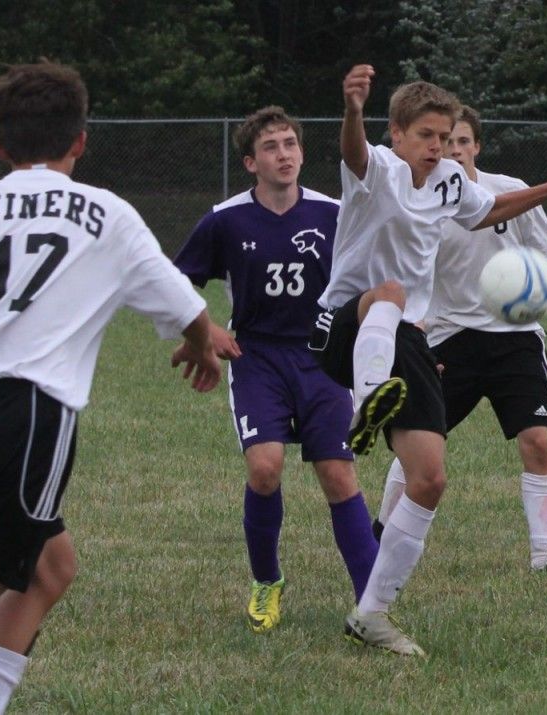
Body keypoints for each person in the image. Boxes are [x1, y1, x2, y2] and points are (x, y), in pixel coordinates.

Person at [0, 62, 222, 714]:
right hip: (26, 419)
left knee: (50, 568)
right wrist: (204, 345)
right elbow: (182, 303)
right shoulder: (106, 212)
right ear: (81, 140)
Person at [310, 64, 547, 656]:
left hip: (407, 339)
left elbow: (489, 209)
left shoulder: (447, 180)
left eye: (444, 136)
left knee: (430, 479)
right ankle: (366, 402)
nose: (437, 146)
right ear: (396, 133)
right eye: (426, 136)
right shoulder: (378, 169)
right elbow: (353, 151)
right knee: (388, 294)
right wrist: (351, 109)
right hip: (346, 321)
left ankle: (372, 613)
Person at [173, 106, 379, 635]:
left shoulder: (336, 214)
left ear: (302, 153)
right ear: (250, 161)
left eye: (290, 143)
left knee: (337, 474)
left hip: (324, 359)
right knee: (264, 469)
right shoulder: (226, 219)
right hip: (258, 359)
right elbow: (172, 282)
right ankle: (267, 581)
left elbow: (376, 278)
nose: (283, 154)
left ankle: (374, 604)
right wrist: (206, 332)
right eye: (271, 147)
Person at [373, 106, 547, 572]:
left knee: (536, 440)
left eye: (461, 142)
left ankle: (542, 556)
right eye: (445, 141)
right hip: (449, 337)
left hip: (514, 339)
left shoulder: (510, 192)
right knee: (420, 442)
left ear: (476, 146)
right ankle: (378, 533)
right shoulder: (423, 199)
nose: (452, 150)